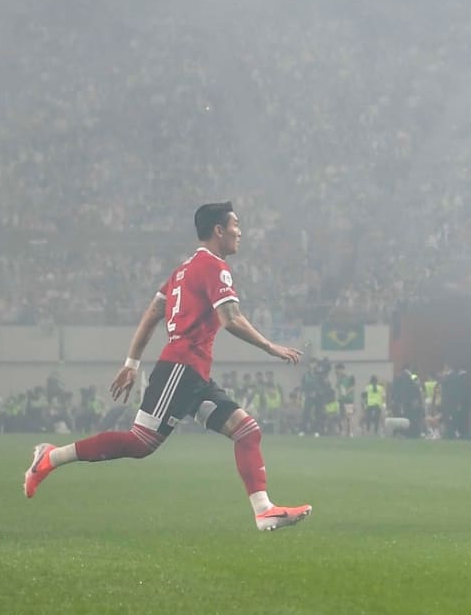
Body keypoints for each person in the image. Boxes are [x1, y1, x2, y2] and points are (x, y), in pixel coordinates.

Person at [22, 202, 312, 532]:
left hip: (195, 376)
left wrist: (132, 362)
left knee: (247, 431)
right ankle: (50, 457)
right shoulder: (214, 267)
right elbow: (230, 318)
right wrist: (271, 347)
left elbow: (152, 313)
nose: (240, 232)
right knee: (140, 443)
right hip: (180, 369)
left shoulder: (181, 271)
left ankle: (263, 511)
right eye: (236, 225)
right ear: (218, 230)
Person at [334, 364, 356, 437]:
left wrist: (347, 392)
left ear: (342, 369)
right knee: (342, 416)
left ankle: (350, 432)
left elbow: (353, 386)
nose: (338, 371)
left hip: (348, 399)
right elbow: (337, 386)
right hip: (341, 400)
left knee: (349, 416)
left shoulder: (348, 377)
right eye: (337, 370)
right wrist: (338, 378)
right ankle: (344, 431)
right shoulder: (339, 378)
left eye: (339, 369)